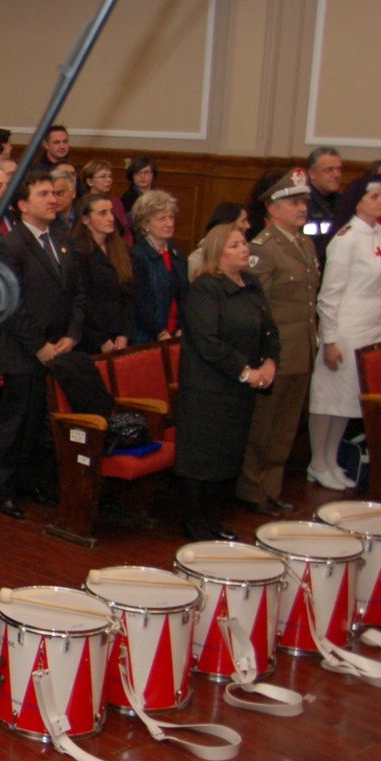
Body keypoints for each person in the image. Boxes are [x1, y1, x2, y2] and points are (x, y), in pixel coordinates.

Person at [175, 225, 278, 541]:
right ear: (217, 253)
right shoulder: (205, 288)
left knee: (227, 455)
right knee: (203, 457)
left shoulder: (251, 283)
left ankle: (213, 519)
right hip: (208, 388)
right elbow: (208, 341)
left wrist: (270, 362)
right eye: (235, 245)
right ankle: (195, 522)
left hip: (239, 388)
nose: (245, 249)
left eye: (244, 243)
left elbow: (269, 330)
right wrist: (247, 371)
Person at [0, 171, 84, 519]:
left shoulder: (61, 237)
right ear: (22, 205)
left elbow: (77, 292)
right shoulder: (11, 244)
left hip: (58, 347)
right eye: (43, 194)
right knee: (15, 422)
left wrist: (71, 335)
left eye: (54, 193)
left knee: (39, 423)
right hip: (23, 350)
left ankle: (28, 481)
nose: (53, 199)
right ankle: (3, 489)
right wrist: (39, 346)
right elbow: (12, 303)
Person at [238, 170, 320, 515]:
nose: (302, 208)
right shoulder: (263, 249)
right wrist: (264, 355)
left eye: (304, 201)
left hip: (302, 350)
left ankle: (271, 489)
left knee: (286, 428)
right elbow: (259, 308)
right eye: (294, 202)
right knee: (264, 427)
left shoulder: (304, 244)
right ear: (273, 209)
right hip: (276, 352)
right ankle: (252, 490)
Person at [308, 177, 381, 490]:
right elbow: (329, 295)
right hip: (345, 327)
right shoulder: (346, 238)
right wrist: (329, 339)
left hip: (373, 328)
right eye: (374, 197)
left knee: (348, 401)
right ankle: (318, 461)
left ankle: (332, 459)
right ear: (357, 201)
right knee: (329, 397)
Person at [70, 193, 135, 354]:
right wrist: (100, 339)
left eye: (111, 212)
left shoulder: (120, 249)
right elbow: (81, 301)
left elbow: (128, 293)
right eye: (102, 213)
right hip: (90, 339)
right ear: (85, 220)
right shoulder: (78, 252)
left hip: (118, 334)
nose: (110, 218)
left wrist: (124, 333)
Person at [130, 190, 188, 343]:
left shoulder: (176, 253)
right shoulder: (138, 255)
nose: (169, 223)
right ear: (145, 224)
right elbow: (139, 302)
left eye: (171, 217)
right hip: (147, 336)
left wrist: (181, 327)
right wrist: (160, 333)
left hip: (175, 332)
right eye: (162, 219)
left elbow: (184, 294)